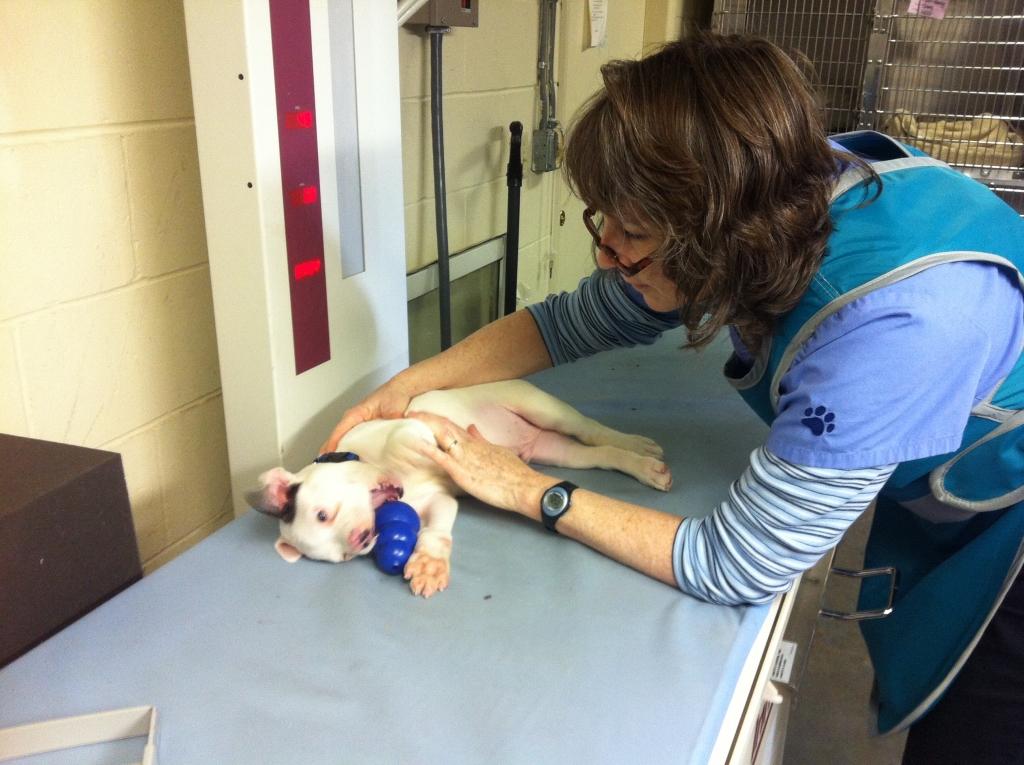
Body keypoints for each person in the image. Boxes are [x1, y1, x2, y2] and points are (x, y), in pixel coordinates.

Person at [322, 31, 1024, 764]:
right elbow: (572, 321)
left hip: (1013, 511)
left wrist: (531, 489)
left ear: (716, 230)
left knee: (980, 729)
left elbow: (738, 561)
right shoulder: (782, 188)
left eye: (631, 233)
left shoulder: (893, 325)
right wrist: (408, 387)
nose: (605, 252)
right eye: (604, 220)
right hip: (953, 477)